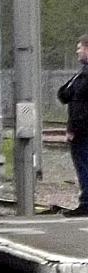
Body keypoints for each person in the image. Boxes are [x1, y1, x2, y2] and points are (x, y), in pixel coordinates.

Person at [57, 34, 88, 217]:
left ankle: (86, 203)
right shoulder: (81, 74)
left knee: (84, 164)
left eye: (80, 47)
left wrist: (72, 130)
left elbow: (76, 104)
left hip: (83, 132)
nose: (77, 51)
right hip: (83, 129)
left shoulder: (84, 76)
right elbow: (64, 94)